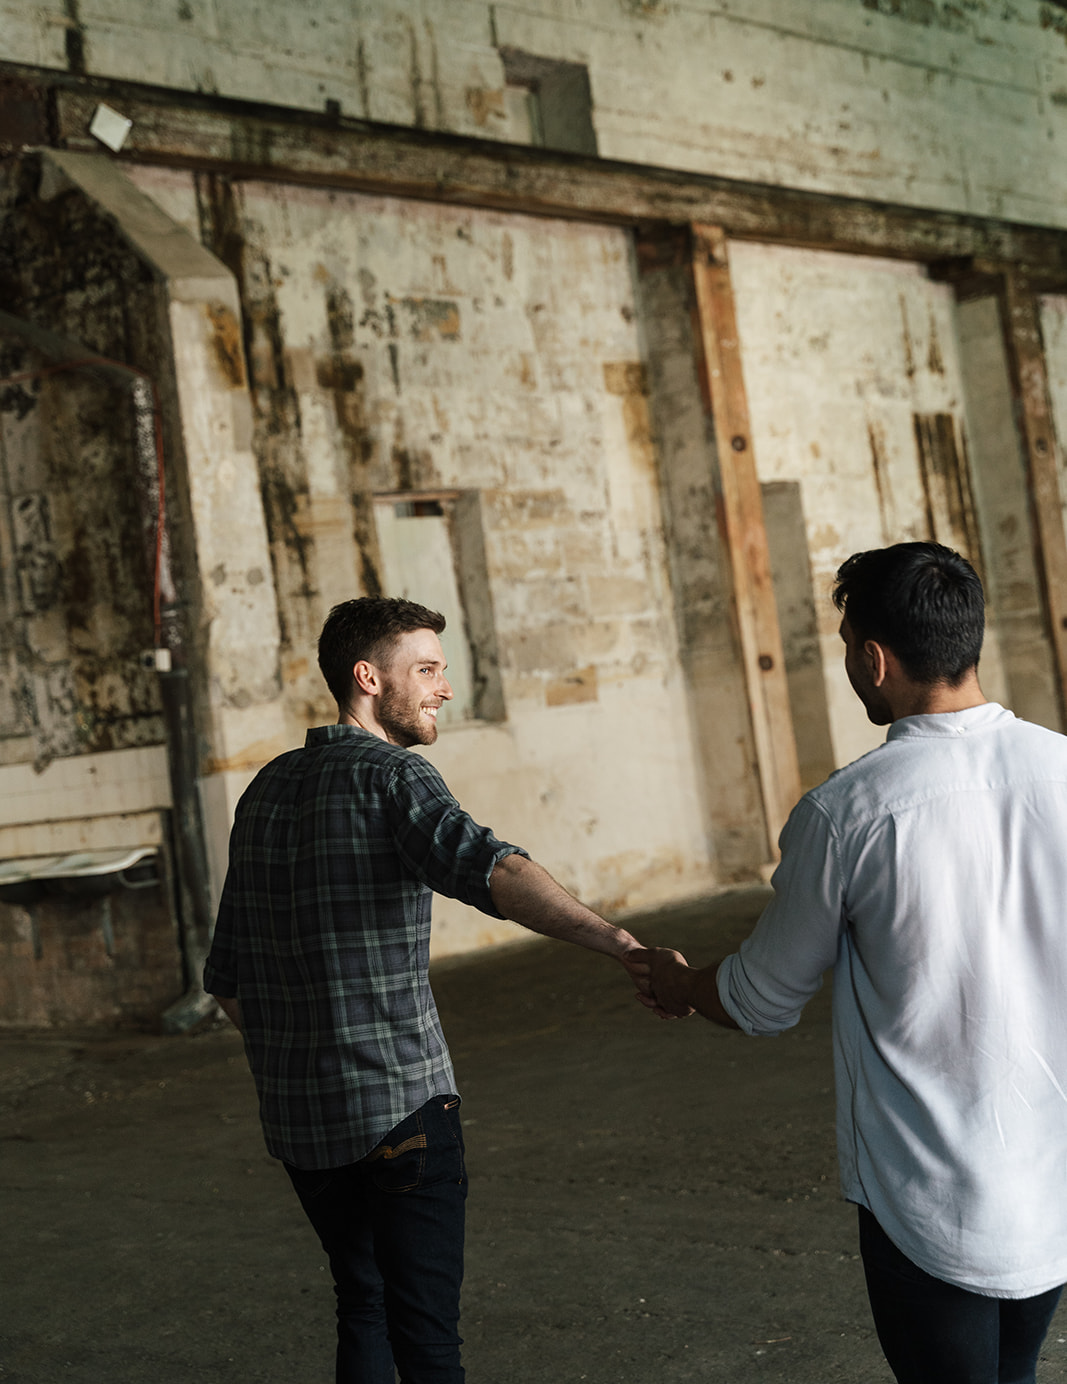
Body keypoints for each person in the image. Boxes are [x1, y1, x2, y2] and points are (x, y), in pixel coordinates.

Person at [640, 542, 1067, 1384]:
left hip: (929, 1200)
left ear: (873, 659)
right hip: (1050, 1186)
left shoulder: (847, 812)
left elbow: (761, 997)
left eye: (844, 647)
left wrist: (679, 982)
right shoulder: (1060, 767)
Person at [204, 596, 653, 1384]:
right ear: (368, 678)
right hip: (399, 1110)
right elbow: (492, 869)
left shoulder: (265, 790)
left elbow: (228, 981)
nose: (443, 687)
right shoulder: (394, 776)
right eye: (427, 670)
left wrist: (303, 1049)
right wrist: (617, 942)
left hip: (302, 1121)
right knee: (427, 1335)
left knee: (362, 1302)